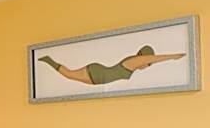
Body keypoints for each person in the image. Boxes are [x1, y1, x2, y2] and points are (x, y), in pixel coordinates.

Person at [38, 45, 185, 85]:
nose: (146, 67)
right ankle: (49, 60)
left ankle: (49, 60)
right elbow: (153, 58)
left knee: (69, 75)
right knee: (69, 74)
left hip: (98, 77)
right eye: (148, 64)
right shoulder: (132, 62)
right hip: (97, 73)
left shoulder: (132, 63)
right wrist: (173, 56)